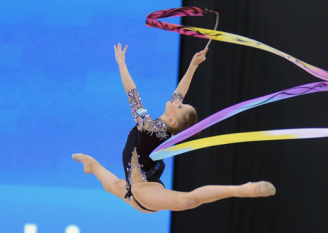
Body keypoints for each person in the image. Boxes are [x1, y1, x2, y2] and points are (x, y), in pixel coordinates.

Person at [72, 43, 275, 213]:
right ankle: (89, 162)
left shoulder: (152, 128)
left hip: (145, 189)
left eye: (180, 106)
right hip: (135, 186)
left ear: (173, 120)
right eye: (181, 103)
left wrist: (121, 62)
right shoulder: (161, 125)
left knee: (187, 201)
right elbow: (180, 91)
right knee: (111, 185)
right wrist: (193, 65)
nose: (177, 101)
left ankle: (243, 190)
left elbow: (132, 93)